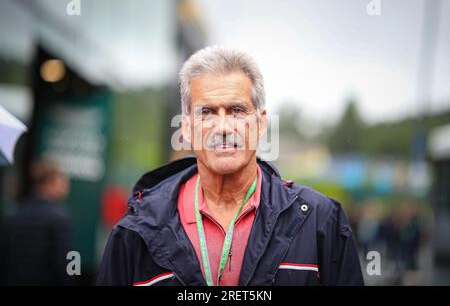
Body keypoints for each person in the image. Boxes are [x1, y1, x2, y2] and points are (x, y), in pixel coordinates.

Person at [97, 46, 364, 286]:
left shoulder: (320, 221)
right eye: (207, 112)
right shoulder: (135, 230)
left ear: (260, 124)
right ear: (187, 128)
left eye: (236, 110)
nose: (223, 128)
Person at [0, 159, 73, 285]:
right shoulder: (60, 219)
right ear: (50, 182)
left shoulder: (12, 214)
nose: (66, 185)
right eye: (62, 180)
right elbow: (66, 264)